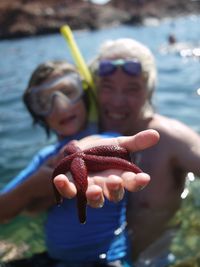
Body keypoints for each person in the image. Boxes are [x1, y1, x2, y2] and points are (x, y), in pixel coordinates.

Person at [54, 38, 200, 266]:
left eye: (132, 89)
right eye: (107, 87)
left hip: (153, 259)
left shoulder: (172, 140)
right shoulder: (82, 138)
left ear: (149, 92)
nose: (117, 101)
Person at [0, 59, 159, 267]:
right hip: (54, 260)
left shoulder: (107, 138)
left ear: (85, 95)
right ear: (38, 114)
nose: (60, 105)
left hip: (108, 259)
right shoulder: (45, 160)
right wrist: (34, 187)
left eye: (68, 91)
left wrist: (83, 147)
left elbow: (97, 146)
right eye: (44, 101)